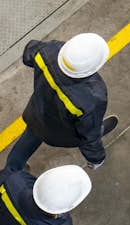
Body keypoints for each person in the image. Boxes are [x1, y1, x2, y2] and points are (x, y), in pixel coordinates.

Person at [8, 33, 118, 171]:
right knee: (90, 132)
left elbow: (29, 53)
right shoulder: (92, 98)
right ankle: (99, 132)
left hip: (37, 114)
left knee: (29, 138)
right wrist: (96, 159)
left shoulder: (49, 50)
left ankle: (11, 171)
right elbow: (89, 135)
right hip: (61, 134)